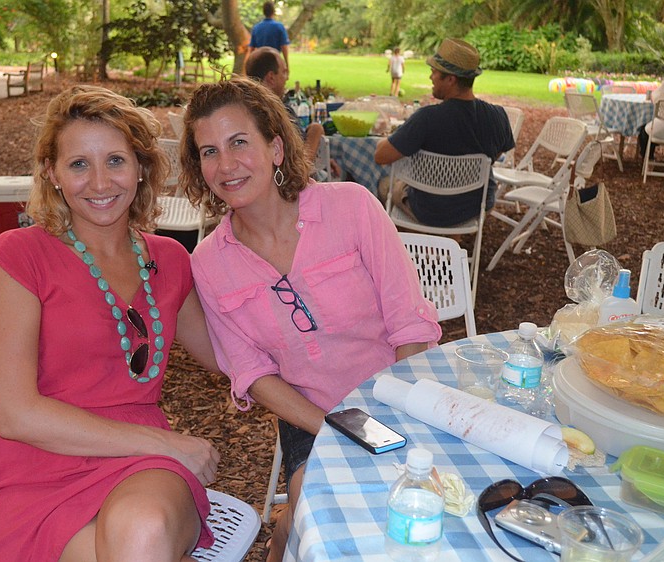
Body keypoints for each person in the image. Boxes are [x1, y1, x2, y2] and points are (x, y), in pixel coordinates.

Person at [179, 77, 443, 562]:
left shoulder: (352, 208)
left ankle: (283, 534)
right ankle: (284, 540)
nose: (227, 164)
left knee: (420, 510)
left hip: (398, 397)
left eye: (240, 142)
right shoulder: (210, 261)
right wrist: (334, 428)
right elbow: (252, 373)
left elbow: (409, 324)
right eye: (209, 151)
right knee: (316, 505)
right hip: (310, 413)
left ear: (276, 147)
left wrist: (391, 416)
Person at [0, 85, 221, 562]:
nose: (100, 183)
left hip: (140, 471)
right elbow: (17, 414)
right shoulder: (22, 255)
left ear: (141, 167)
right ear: (53, 173)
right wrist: (171, 444)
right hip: (36, 470)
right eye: (79, 164)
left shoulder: (169, 259)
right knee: (142, 549)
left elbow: (225, 355)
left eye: (115, 161)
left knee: (144, 531)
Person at [374, 38, 514, 227]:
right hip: (477, 205)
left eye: (434, 72)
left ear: (450, 79)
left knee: (384, 185)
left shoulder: (427, 118)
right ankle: (451, 240)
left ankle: (420, 243)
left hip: (429, 208)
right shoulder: (498, 115)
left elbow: (381, 156)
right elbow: (495, 155)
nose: (430, 77)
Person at [245, 46, 340, 180]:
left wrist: (323, 160)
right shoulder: (275, 113)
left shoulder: (244, 111)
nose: (287, 78)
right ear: (271, 78)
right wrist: (315, 132)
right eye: (284, 72)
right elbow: (299, 166)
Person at [249, 1, 290, 71]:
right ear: (273, 12)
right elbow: (284, 47)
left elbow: (251, 49)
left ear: (263, 12)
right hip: (275, 62)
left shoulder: (256, 28)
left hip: (260, 62)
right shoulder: (279, 27)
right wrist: (286, 64)